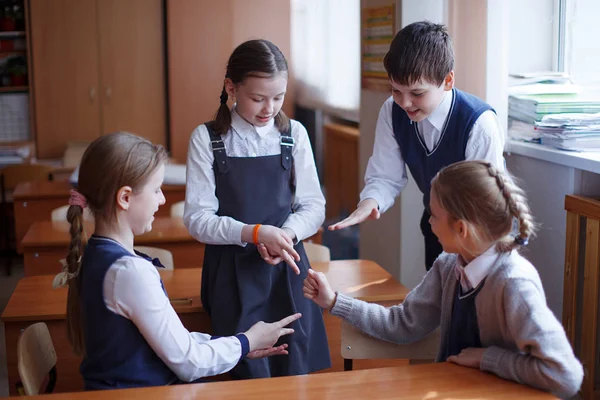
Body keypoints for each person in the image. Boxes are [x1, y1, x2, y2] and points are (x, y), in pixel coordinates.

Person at [305, 160, 583, 399]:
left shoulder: (514, 284)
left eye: (434, 216)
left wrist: (486, 359)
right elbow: (402, 324)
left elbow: (565, 375)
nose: (429, 224)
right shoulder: (449, 266)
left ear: (461, 228)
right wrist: (334, 301)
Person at [58, 132, 301, 390]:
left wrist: (240, 344)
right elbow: (188, 363)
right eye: (156, 190)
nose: (162, 199)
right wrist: (247, 341)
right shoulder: (129, 272)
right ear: (125, 198)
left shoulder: (97, 252)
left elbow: (174, 343)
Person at [184, 39, 330, 378]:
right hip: (231, 273)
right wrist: (253, 233)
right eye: (258, 98)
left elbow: (313, 205)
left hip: (287, 269)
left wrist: (286, 235)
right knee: (243, 374)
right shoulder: (207, 139)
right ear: (231, 88)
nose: (270, 108)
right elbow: (198, 220)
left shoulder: (294, 133)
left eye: (278, 98)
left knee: (294, 371)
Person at [330, 21, 506, 271]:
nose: (405, 103)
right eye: (396, 90)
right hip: (436, 225)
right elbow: (385, 175)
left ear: (447, 80)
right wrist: (370, 202)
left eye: (417, 93)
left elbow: (485, 205)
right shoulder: (392, 111)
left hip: (479, 232)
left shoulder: (480, 125)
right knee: (438, 307)